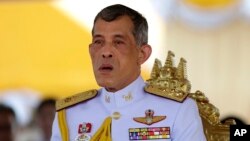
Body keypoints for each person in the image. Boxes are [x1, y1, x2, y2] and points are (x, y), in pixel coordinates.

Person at [51, 4, 206, 141]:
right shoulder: (69, 114)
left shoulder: (178, 109)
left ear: (142, 54)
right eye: (99, 42)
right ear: (91, 51)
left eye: (118, 42)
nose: (105, 52)